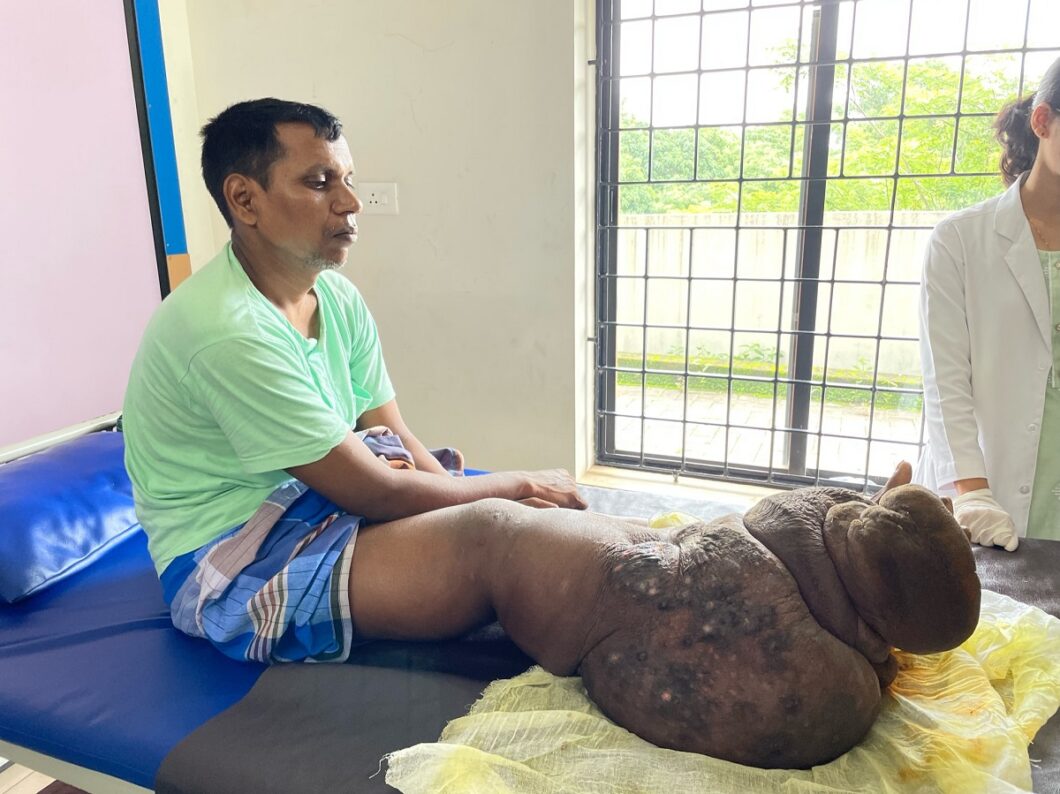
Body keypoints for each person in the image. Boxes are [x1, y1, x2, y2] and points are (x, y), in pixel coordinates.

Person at [915, 57, 1060, 550]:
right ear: (1042, 121)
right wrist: (972, 491)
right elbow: (945, 379)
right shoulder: (959, 240)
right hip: (984, 489)